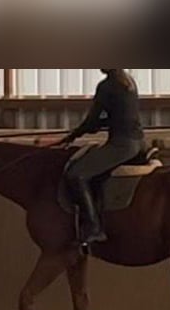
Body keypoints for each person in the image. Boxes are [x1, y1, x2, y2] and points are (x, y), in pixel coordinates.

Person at [53, 69, 146, 246]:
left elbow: (92, 121)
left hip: (121, 145)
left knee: (76, 174)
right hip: (138, 142)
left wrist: (72, 136)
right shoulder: (128, 82)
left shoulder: (106, 86)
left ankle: (94, 227)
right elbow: (115, 116)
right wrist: (96, 125)